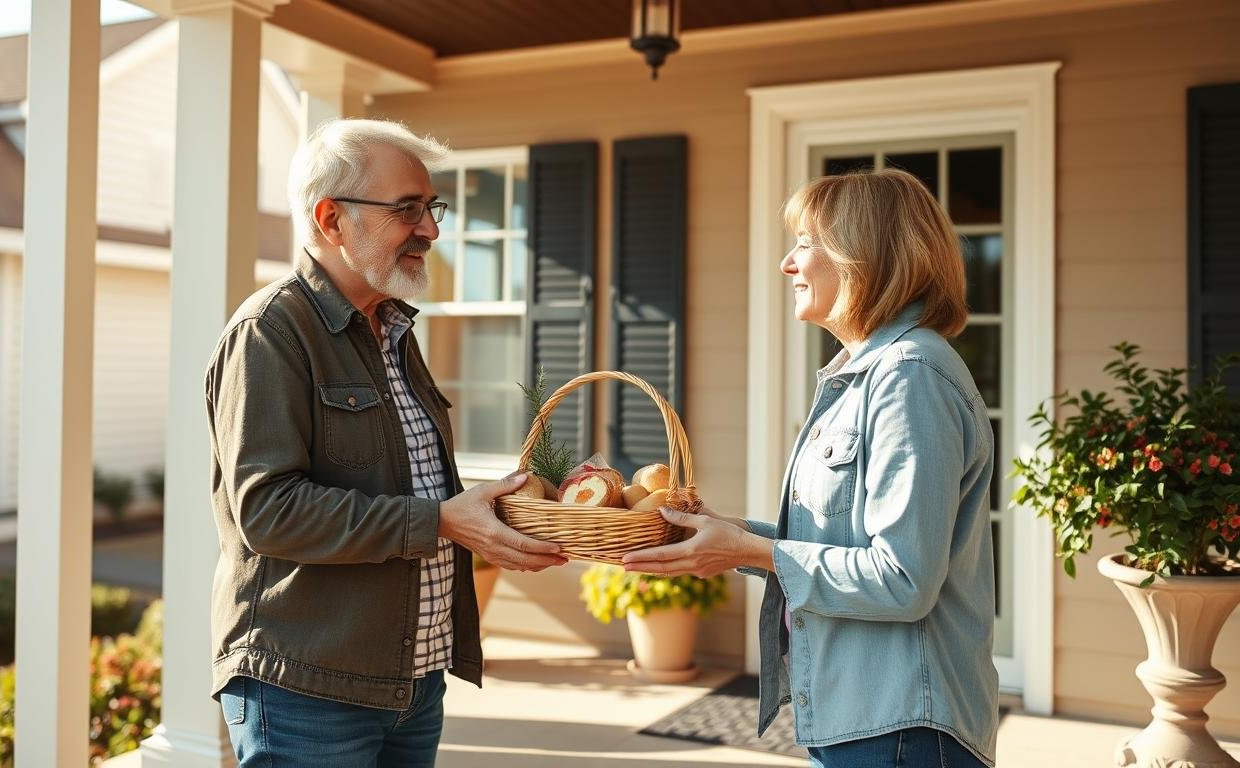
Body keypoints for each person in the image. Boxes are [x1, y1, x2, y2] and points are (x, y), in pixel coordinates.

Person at [205, 118, 567, 768]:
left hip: (411, 680)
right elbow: (268, 511)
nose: (431, 229)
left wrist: (500, 519)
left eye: (432, 208)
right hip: (307, 687)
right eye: (408, 209)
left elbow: (410, 483)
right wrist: (440, 523)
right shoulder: (271, 332)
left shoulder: (392, 331)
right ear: (330, 219)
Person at [623, 168, 999, 767]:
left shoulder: (908, 376)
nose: (787, 264)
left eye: (805, 243)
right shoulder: (867, 373)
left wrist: (748, 552)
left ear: (863, 256)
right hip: (865, 718)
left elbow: (902, 580)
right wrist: (733, 537)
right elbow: (843, 545)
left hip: (901, 731)